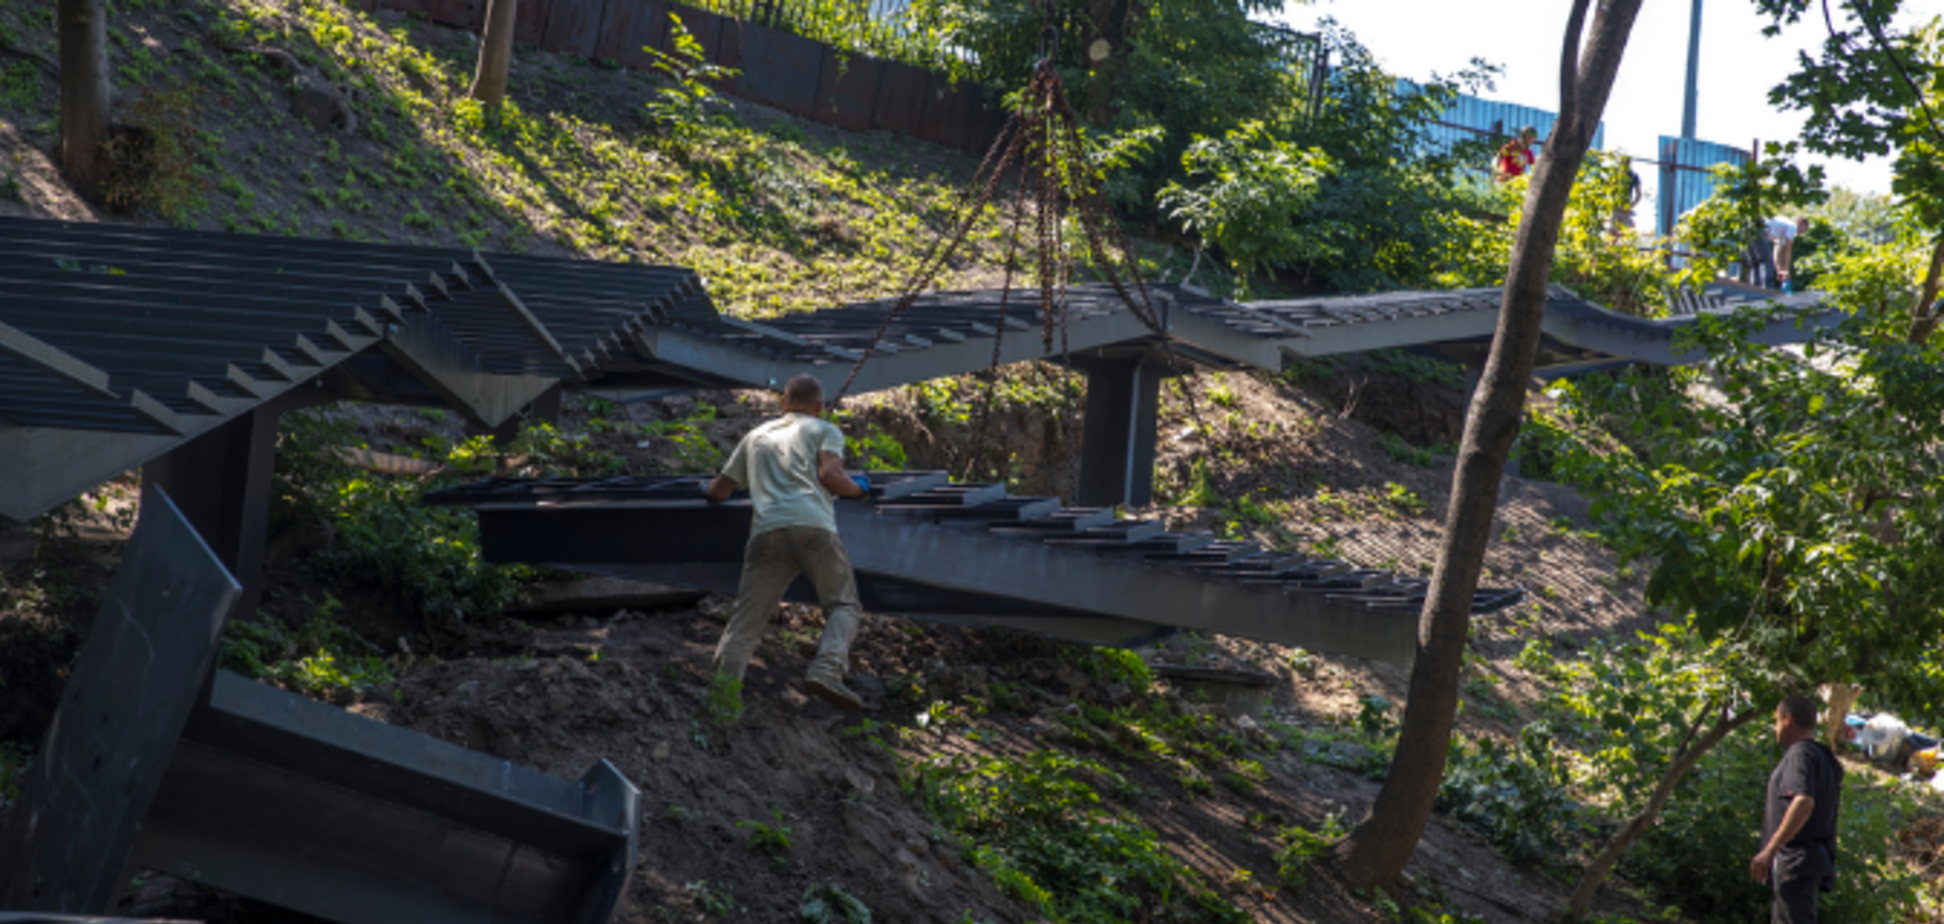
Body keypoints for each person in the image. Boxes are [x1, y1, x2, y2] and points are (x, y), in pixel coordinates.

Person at [705, 374, 872, 712]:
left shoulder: (755, 437)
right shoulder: (824, 430)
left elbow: (718, 491)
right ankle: (827, 670)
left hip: (766, 534)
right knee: (843, 604)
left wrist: (705, 491)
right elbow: (831, 477)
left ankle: (720, 706)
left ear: (783, 404)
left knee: (744, 626)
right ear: (819, 407)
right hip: (813, 529)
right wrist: (860, 489)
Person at [1751, 694, 1843, 924]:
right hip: (1809, 862)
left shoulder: (1800, 753)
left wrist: (1770, 850)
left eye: (1776, 721)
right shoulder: (1825, 757)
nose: (1775, 729)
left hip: (1796, 862)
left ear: (1787, 719)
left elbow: (1804, 802)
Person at [1768, 216, 1809, 293]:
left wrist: (1779, 270)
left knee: (1759, 261)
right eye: (1806, 227)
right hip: (1759, 230)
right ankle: (1763, 287)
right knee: (1764, 260)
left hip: (1758, 232)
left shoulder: (1783, 232)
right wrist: (1786, 270)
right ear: (1799, 223)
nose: (1805, 231)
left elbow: (1777, 252)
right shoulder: (1792, 227)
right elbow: (1788, 250)